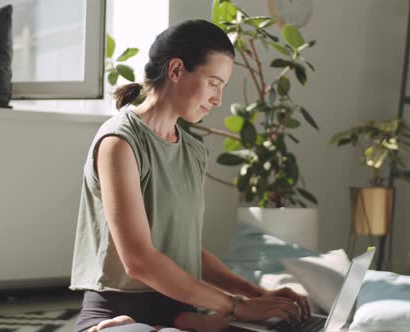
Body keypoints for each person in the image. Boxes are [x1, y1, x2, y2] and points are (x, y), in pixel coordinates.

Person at [70, 19, 310, 332]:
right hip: (118, 309)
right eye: (214, 83)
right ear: (176, 70)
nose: (218, 99)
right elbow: (139, 260)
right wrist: (235, 306)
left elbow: (183, 250)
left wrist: (256, 295)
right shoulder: (120, 142)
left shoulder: (193, 150)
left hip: (179, 312)